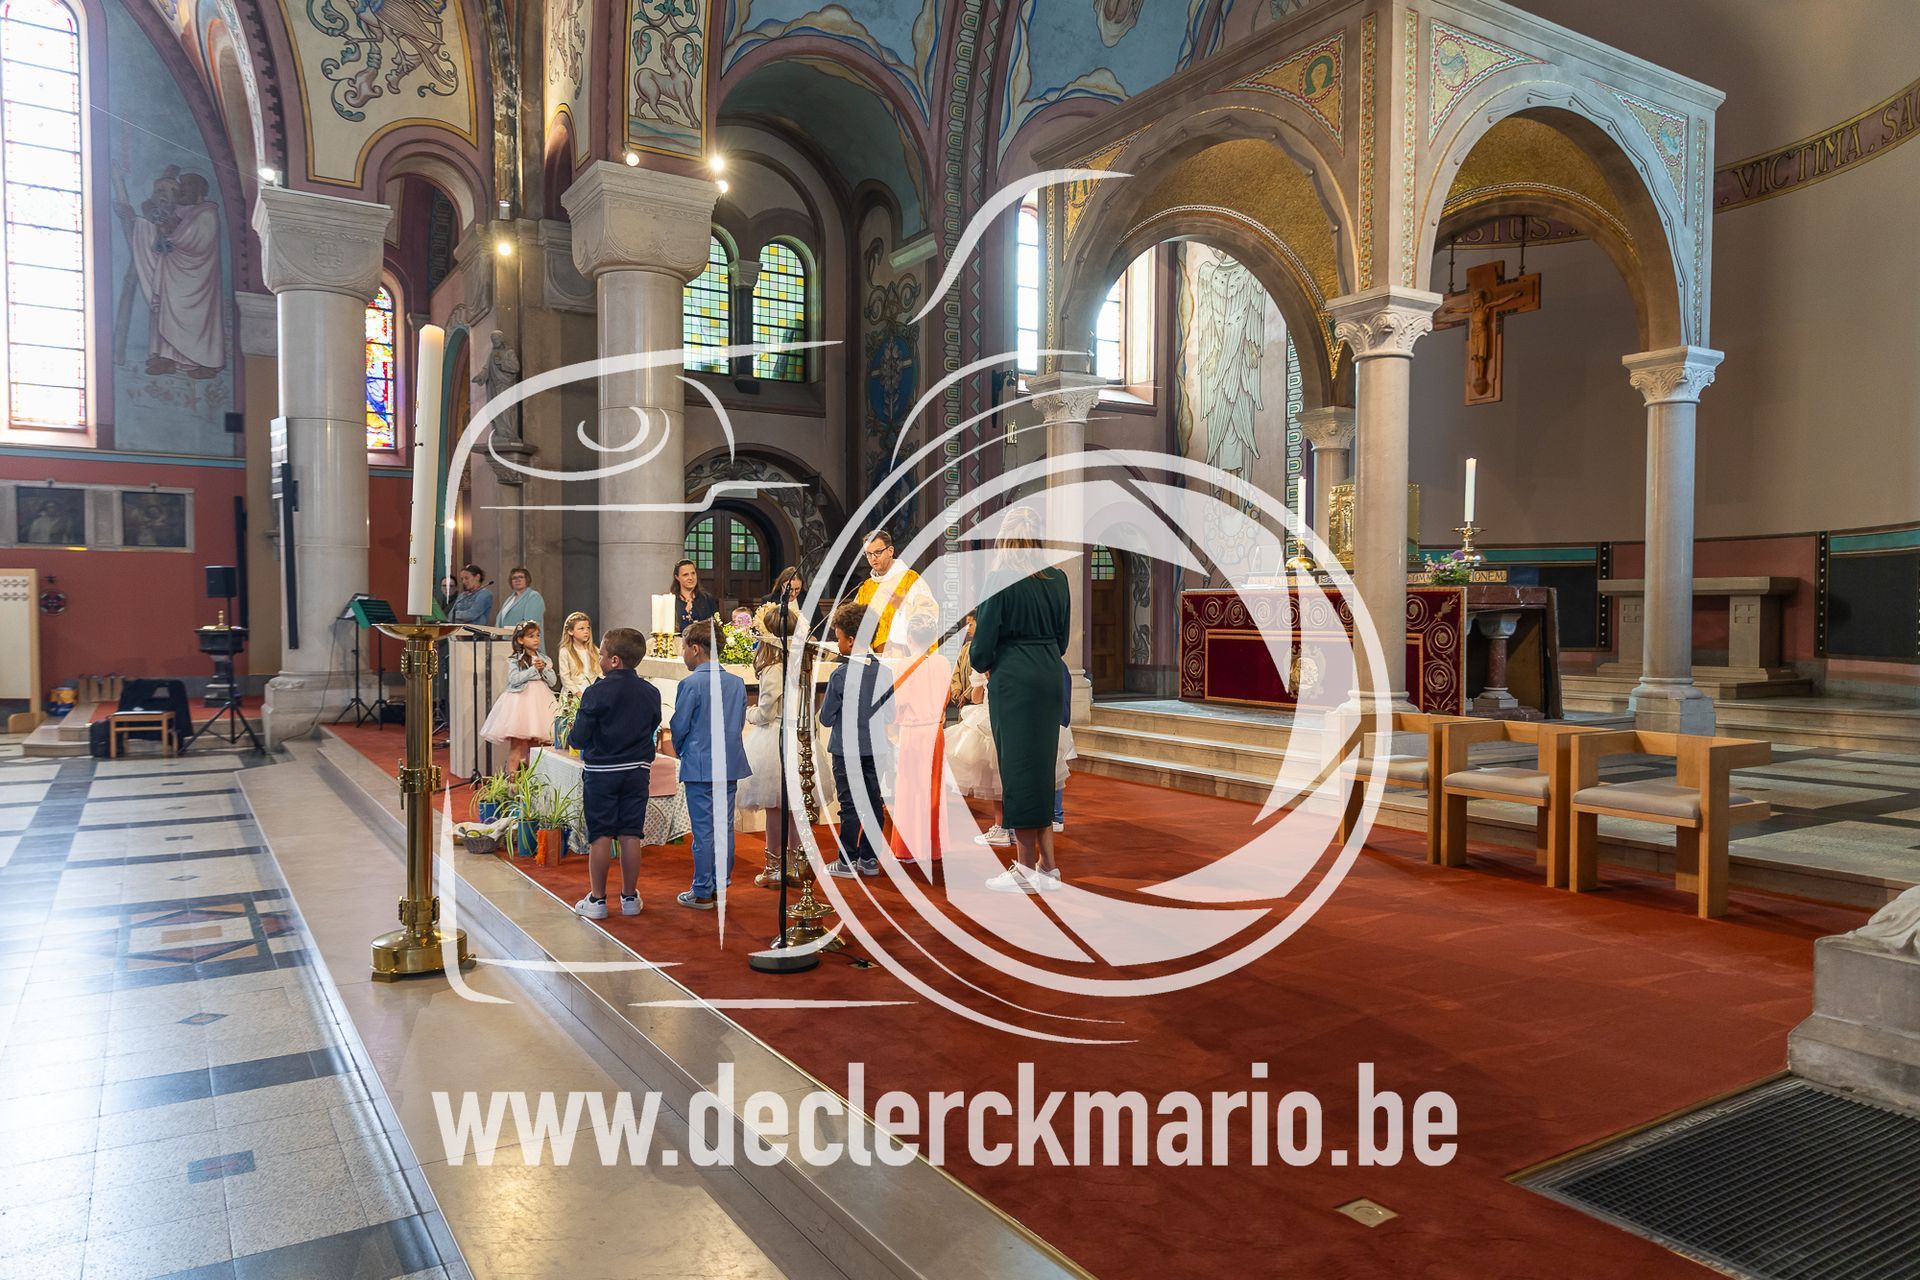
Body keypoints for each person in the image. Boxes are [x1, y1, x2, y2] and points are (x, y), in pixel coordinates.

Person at [972, 510, 1071, 894]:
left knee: (1018, 772)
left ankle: (1026, 869)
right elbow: (1062, 640)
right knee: (1041, 771)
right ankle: (1048, 865)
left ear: (1005, 539)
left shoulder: (1000, 580)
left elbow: (981, 648)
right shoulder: (1059, 579)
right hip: (1048, 675)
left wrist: (987, 663)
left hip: (1014, 679)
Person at [567, 627, 661, 919]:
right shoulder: (651, 692)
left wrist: (574, 734)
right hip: (637, 770)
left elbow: (579, 738)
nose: (600, 658)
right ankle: (630, 898)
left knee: (601, 834)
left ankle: (597, 900)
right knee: (631, 833)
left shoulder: (596, 692)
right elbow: (652, 727)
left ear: (615, 660)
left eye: (603, 654)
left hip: (602, 772)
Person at [736, 602, 832, 887]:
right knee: (796, 808)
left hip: (777, 738)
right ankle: (796, 866)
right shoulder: (803, 663)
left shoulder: (774, 667)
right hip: (800, 737)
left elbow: (766, 711)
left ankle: (774, 868)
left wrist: (748, 713)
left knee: (775, 808)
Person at [668, 618, 750, 911]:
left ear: (695, 648)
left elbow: (679, 725)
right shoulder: (737, 683)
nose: (682, 654)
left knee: (703, 831)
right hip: (728, 763)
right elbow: (738, 722)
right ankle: (720, 885)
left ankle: (703, 890)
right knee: (724, 828)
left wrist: (682, 750)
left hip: (700, 764)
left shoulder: (691, 683)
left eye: (683, 648)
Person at [821, 602, 894, 879]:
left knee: (850, 805)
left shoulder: (840, 674)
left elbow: (826, 718)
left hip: (846, 750)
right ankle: (869, 859)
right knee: (874, 802)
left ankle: (847, 861)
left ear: (850, 640)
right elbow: (891, 714)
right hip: (876, 749)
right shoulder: (885, 672)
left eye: (838, 638)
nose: (837, 643)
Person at [887, 607, 951, 863]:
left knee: (909, 791)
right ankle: (933, 847)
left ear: (909, 638)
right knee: (934, 790)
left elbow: (897, 705)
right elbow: (945, 698)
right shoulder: (942, 662)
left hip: (913, 733)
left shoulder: (902, 665)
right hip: (935, 731)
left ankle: (909, 849)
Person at [945, 612, 1006, 844]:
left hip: (990, 718)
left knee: (995, 777)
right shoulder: (1010, 650)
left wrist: (978, 685)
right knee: (1009, 774)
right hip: (1013, 715)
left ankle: (1001, 827)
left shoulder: (984, 654)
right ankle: (1010, 826)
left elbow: (978, 696)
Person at [480, 621, 559, 772]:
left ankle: (533, 779)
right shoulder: (515, 659)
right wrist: (533, 670)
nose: (536, 639)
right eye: (531, 636)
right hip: (520, 702)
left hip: (540, 702)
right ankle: (512, 780)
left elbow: (553, 681)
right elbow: (514, 679)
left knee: (536, 745)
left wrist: (544, 669)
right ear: (520, 640)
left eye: (538, 636)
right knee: (517, 744)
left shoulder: (545, 659)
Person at [852, 529, 932, 651]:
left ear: (890, 551)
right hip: (871, 655)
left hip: (901, 654)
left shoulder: (910, 580)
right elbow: (855, 623)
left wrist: (903, 607)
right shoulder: (866, 587)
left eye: (877, 552)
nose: (873, 558)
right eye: (868, 554)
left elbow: (929, 617)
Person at [557, 611, 602, 698]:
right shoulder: (565, 651)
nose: (586, 631)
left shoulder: (595, 651)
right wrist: (578, 693)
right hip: (573, 695)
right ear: (570, 631)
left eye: (588, 628)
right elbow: (565, 677)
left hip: (592, 693)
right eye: (581, 628)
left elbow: (600, 673)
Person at [670, 559, 720, 634]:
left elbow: (715, 626)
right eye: (685, 575)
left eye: (693, 573)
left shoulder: (707, 599)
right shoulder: (671, 601)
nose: (691, 578)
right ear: (677, 577)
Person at [495, 566, 546, 634]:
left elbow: (531, 624)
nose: (517, 580)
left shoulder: (534, 596)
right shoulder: (510, 599)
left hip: (524, 639)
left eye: (521, 577)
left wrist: (512, 633)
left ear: (527, 579)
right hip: (505, 638)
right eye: (514, 578)